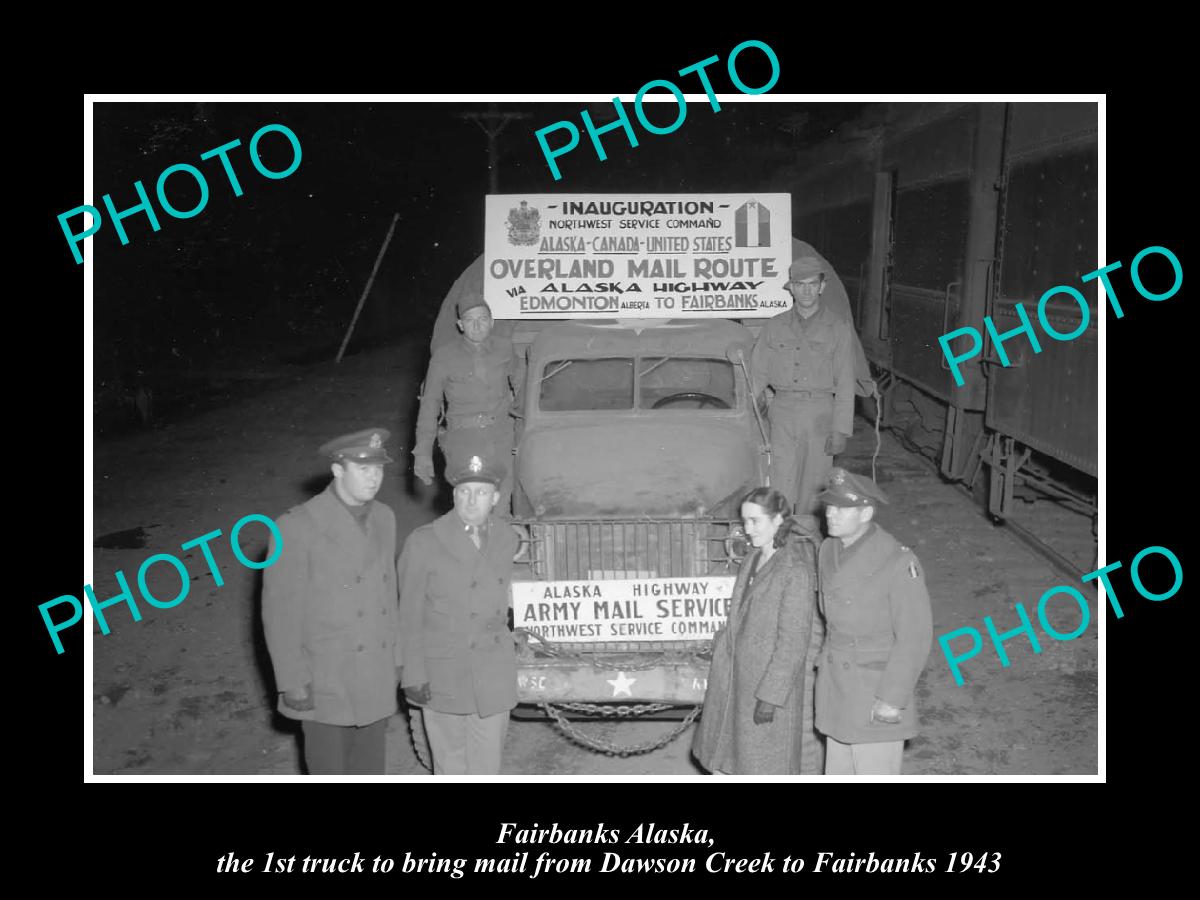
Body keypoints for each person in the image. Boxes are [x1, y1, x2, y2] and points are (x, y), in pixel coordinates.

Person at [261, 428, 401, 775]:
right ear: (338, 470)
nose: (374, 478)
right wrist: (292, 680)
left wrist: (397, 659)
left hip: (374, 673)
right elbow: (279, 613)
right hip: (326, 680)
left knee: (370, 771)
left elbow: (389, 596)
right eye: (363, 469)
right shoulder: (295, 527)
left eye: (379, 469)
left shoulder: (385, 517)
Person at [396, 450, 519, 774]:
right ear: (453, 494)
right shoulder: (423, 543)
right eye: (464, 492)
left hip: (492, 675)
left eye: (480, 493)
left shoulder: (507, 539)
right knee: (450, 767)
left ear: (495, 498)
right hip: (444, 675)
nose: (471, 500)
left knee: (487, 769)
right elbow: (406, 615)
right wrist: (412, 674)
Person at [692, 487, 824, 775]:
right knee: (727, 762)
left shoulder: (795, 569)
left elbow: (792, 642)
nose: (747, 529)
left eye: (755, 521)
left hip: (765, 690)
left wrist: (771, 697)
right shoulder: (753, 558)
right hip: (737, 680)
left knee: (761, 766)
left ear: (778, 519)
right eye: (744, 521)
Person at [814, 468, 933, 775]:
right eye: (829, 505)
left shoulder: (898, 562)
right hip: (837, 689)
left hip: (873, 689)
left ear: (866, 512)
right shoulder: (829, 550)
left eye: (841, 508)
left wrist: (891, 699)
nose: (830, 513)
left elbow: (914, 638)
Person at [750, 256, 856, 515]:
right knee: (780, 482)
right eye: (800, 284)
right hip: (783, 413)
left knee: (815, 489)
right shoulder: (774, 326)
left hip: (820, 415)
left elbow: (845, 381)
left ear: (822, 286)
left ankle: (807, 543)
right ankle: (780, 542)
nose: (806, 290)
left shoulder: (838, 328)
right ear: (792, 288)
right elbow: (757, 374)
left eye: (812, 284)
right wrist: (748, 415)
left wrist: (841, 429)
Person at [413, 295, 523, 514]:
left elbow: (522, 387)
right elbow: (430, 404)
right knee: (472, 508)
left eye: (482, 319)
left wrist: (523, 431)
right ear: (460, 325)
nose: (477, 325)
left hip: (501, 436)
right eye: (470, 320)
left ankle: (498, 545)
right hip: (463, 441)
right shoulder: (444, 357)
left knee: (501, 506)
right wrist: (423, 452)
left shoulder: (505, 349)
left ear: (492, 322)